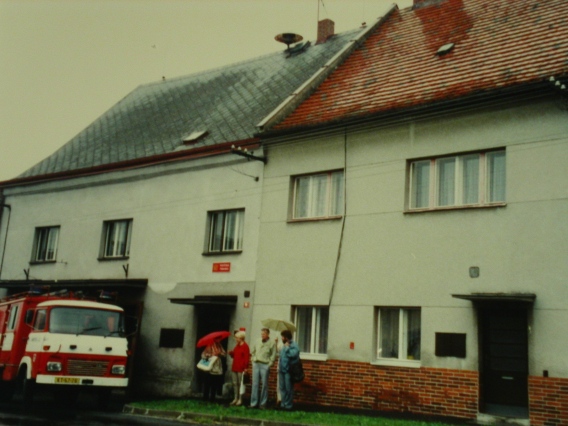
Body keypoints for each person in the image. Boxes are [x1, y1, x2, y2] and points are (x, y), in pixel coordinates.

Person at [249, 328, 276, 408]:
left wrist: (269, 365)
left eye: (264, 334)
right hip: (256, 363)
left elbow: (273, 355)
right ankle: (253, 403)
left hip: (265, 364)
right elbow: (253, 351)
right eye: (261, 334)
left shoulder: (272, 343)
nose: (262, 336)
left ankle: (262, 404)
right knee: (255, 384)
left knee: (264, 384)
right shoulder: (257, 341)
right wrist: (253, 360)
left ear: (268, 334)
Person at [278, 329, 299, 411]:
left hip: (289, 371)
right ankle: (283, 403)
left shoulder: (294, 345)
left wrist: (287, 348)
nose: (282, 338)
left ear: (286, 337)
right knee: (282, 388)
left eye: (282, 337)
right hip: (281, 370)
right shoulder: (284, 345)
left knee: (288, 388)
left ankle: (288, 405)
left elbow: (294, 354)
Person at [228, 330, 250, 406]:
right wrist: (231, 353)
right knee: (235, 383)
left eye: (237, 338)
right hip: (235, 366)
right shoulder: (237, 346)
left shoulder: (245, 346)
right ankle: (235, 398)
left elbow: (246, 357)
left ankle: (240, 399)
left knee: (240, 384)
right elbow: (234, 355)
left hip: (241, 367)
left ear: (241, 338)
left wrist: (246, 367)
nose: (236, 339)